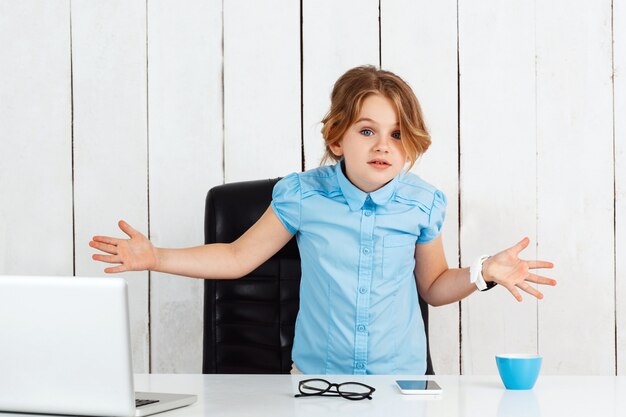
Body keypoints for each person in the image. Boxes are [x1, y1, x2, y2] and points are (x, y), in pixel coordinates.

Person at [90, 65, 556, 375]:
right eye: (367, 130)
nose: (383, 146)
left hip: (402, 382)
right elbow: (235, 258)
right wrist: (154, 256)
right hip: (316, 382)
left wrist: (482, 273)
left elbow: (432, 287)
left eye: (396, 134)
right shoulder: (303, 196)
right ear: (337, 139)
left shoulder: (421, 203)